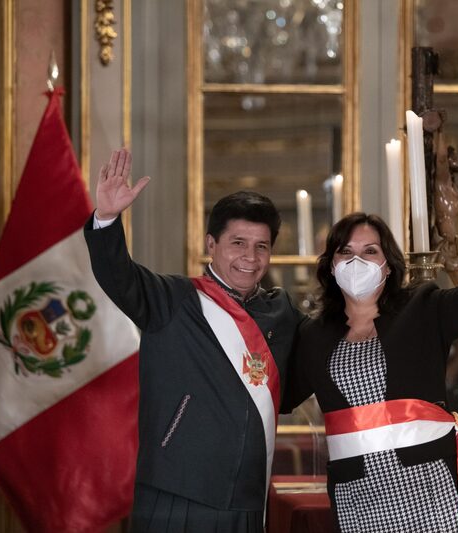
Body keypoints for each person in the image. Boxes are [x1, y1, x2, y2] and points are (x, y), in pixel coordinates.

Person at [283, 162, 458, 533]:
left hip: (429, 492)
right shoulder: (314, 336)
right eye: (346, 252)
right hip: (357, 500)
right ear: (331, 266)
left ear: (389, 265)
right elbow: (274, 396)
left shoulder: (424, 308)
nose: (357, 261)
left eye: (370, 251)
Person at [83, 148, 303, 532]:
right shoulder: (172, 299)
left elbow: (311, 364)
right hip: (176, 493)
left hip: (248, 498)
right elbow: (119, 276)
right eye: (237, 243)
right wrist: (107, 219)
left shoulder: (281, 313)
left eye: (261, 246)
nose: (249, 257)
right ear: (211, 245)